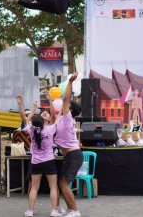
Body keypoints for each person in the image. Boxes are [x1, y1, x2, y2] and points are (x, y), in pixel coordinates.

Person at [16, 95, 63, 217]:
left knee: (34, 188)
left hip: (36, 161)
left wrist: (21, 105)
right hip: (49, 161)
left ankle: (30, 211)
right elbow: (57, 117)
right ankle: (54, 211)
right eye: (44, 114)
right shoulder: (50, 129)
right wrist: (62, 107)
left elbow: (24, 118)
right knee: (53, 187)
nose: (45, 114)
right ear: (44, 120)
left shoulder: (32, 129)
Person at [54, 72, 83, 217]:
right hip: (70, 156)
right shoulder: (62, 119)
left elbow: (65, 98)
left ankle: (75, 211)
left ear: (70, 109)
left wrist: (70, 82)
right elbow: (56, 114)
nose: (65, 105)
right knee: (62, 183)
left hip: (73, 155)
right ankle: (70, 209)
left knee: (64, 184)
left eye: (67, 105)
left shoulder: (67, 118)